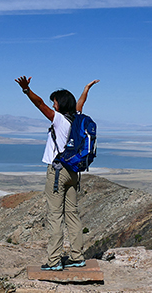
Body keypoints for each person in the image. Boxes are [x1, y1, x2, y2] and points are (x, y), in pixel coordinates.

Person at [15, 76, 100, 271]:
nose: (53, 105)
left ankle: (54, 262)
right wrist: (86, 88)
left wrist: (27, 90)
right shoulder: (77, 119)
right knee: (72, 214)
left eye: (55, 102)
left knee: (55, 216)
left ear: (60, 104)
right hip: (73, 173)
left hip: (57, 173)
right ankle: (77, 257)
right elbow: (81, 103)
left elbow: (39, 104)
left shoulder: (59, 119)